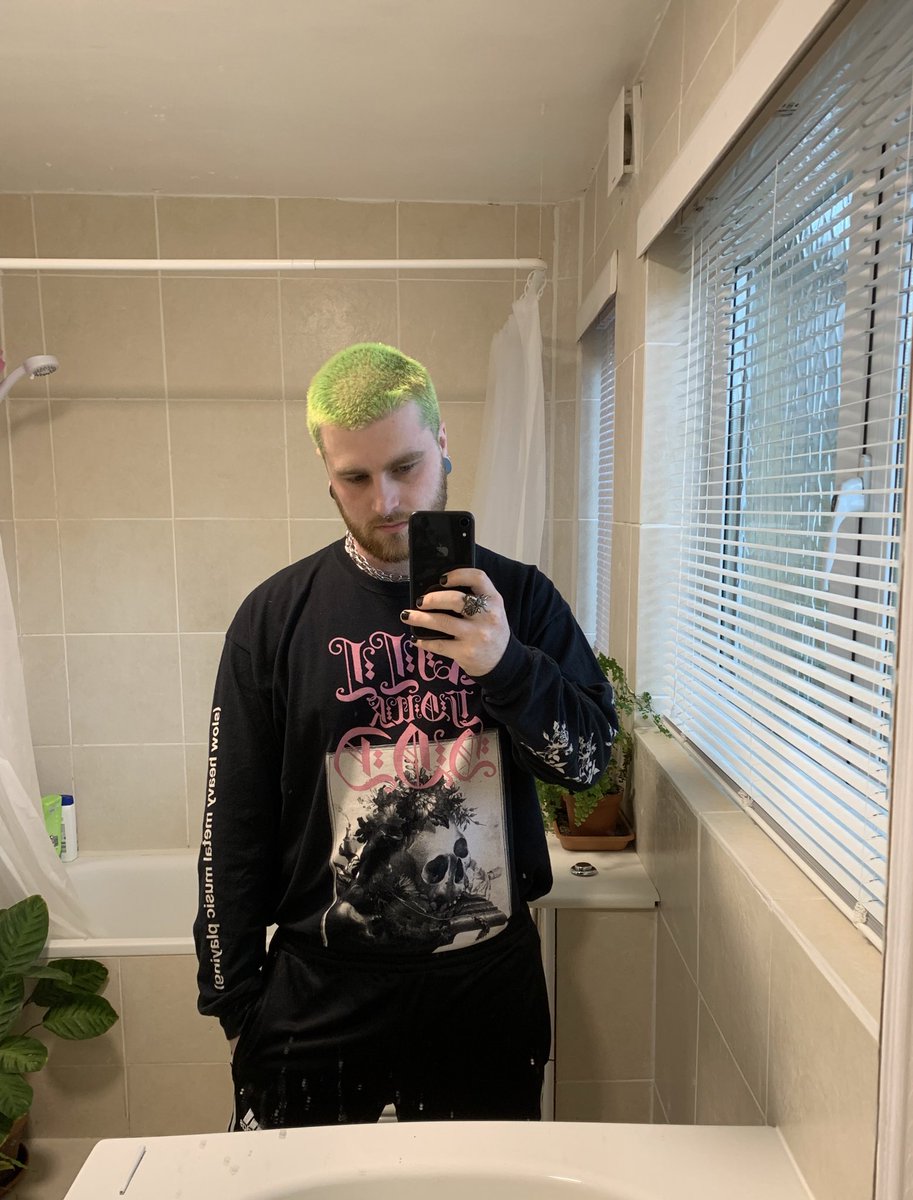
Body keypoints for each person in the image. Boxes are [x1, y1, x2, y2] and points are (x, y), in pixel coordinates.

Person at [193, 341, 618, 1129]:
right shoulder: (273, 618)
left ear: (442, 442)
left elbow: (586, 762)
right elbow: (234, 826)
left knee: (480, 1187)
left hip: (484, 990)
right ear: (327, 474)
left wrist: (505, 664)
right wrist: (234, 1001)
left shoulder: (520, 599)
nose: (385, 500)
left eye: (405, 466)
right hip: (318, 990)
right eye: (355, 477)